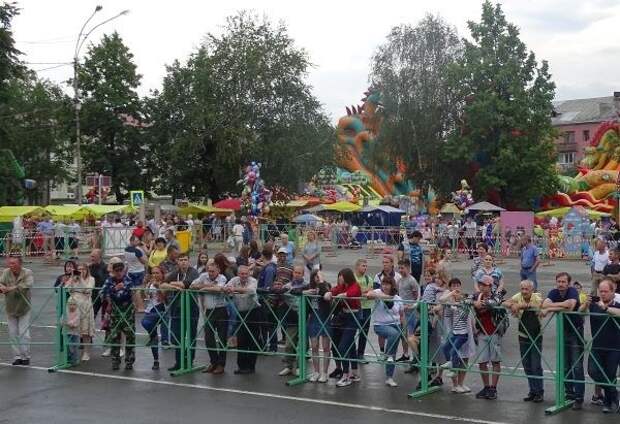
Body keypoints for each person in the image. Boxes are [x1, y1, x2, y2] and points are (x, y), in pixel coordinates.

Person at [542, 272, 585, 410]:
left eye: (563, 282)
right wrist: (552, 306)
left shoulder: (572, 291)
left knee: (577, 366)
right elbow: (545, 304)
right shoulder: (554, 292)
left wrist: (550, 308)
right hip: (563, 332)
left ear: (568, 283)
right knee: (565, 365)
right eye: (558, 281)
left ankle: (579, 397)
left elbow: (571, 306)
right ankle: (569, 394)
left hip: (575, 331)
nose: (560, 284)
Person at [503, 280, 544, 403]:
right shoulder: (518, 296)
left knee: (536, 365)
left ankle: (539, 392)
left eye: (527, 289)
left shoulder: (537, 297)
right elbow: (505, 302)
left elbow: (538, 306)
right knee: (527, 365)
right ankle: (532, 391)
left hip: (536, 336)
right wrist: (511, 305)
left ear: (532, 289)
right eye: (522, 289)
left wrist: (521, 305)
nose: (524, 291)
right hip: (522, 335)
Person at [585, 278, 620, 413]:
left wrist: (606, 308)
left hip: (614, 347)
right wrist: (585, 304)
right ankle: (614, 393)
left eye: (606, 291)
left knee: (610, 374)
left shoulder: (617, 304)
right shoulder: (594, 304)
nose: (603, 294)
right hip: (597, 346)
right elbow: (581, 313)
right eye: (601, 291)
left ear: (613, 291)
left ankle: (608, 402)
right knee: (593, 371)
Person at [160, 253, 200, 372]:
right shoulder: (175, 273)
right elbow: (162, 284)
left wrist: (172, 285)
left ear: (189, 261)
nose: (183, 262)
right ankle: (179, 361)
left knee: (191, 335)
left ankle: (189, 361)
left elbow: (185, 284)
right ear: (177, 261)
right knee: (178, 336)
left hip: (191, 308)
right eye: (181, 260)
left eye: (185, 260)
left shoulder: (193, 272)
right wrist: (174, 286)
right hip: (177, 308)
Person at [324, 268, 362, 387]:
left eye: (342, 276)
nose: (339, 278)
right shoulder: (342, 286)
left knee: (343, 346)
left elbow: (353, 293)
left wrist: (343, 295)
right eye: (339, 275)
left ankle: (346, 375)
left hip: (354, 316)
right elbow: (334, 291)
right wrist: (329, 293)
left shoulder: (355, 285)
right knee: (350, 346)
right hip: (344, 316)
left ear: (347, 277)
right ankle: (355, 373)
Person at [190, 263, 229, 375]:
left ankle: (221, 365)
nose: (210, 273)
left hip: (221, 310)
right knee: (208, 338)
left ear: (218, 271)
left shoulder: (222, 278)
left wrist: (203, 287)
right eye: (209, 271)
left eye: (213, 271)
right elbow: (193, 286)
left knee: (222, 339)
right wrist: (207, 287)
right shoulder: (203, 276)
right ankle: (213, 362)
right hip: (209, 310)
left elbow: (218, 289)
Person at [366, 276, 403, 387]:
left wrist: (404, 329)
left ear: (392, 285)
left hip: (396, 325)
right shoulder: (378, 292)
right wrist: (385, 297)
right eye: (383, 284)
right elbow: (368, 295)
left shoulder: (398, 298)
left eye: (387, 284)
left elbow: (401, 314)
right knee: (394, 336)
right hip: (380, 325)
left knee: (393, 355)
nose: (385, 286)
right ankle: (387, 354)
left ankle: (389, 377)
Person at [473, 274, 506, 400]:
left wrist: (480, 304)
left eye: (484, 285)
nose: (481, 287)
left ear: (490, 286)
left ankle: (493, 388)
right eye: (480, 284)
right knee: (482, 362)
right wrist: (474, 302)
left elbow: (493, 303)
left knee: (495, 361)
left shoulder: (497, 295)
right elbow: (466, 300)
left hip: (495, 332)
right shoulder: (476, 295)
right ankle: (486, 387)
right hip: (481, 332)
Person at [438, 278, 474, 393]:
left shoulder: (465, 298)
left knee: (465, 357)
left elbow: (471, 313)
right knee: (454, 355)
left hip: (465, 330)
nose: (456, 287)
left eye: (458, 285)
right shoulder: (448, 297)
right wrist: (452, 293)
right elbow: (442, 300)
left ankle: (461, 383)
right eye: (453, 285)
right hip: (451, 330)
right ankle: (455, 384)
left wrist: (474, 328)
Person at [224, 265, 260, 374]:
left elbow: (251, 290)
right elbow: (226, 287)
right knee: (241, 340)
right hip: (240, 313)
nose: (244, 276)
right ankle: (241, 366)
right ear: (238, 274)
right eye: (241, 274)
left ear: (249, 273)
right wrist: (229, 289)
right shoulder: (234, 280)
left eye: (246, 273)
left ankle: (251, 367)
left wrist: (234, 289)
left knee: (253, 340)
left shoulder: (253, 280)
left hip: (253, 312)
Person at [102, 258, 136, 371]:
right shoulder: (109, 280)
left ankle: (129, 361)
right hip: (115, 313)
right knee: (115, 337)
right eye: (117, 270)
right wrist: (115, 289)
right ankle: (115, 361)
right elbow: (102, 293)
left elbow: (126, 294)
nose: (119, 272)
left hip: (127, 312)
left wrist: (113, 293)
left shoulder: (128, 280)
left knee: (130, 336)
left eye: (121, 270)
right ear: (113, 271)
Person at [0, 256, 33, 365]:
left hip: (24, 307)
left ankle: (26, 356)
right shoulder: (6, 272)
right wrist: (2, 287)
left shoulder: (27, 272)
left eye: (13, 263)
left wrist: (10, 288)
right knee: (13, 333)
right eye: (10, 263)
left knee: (24, 333)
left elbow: (27, 285)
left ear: (20, 264)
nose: (11, 265)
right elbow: (1, 283)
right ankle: (17, 356)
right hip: (10, 307)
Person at [305, 269, 331, 383]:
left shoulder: (326, 285)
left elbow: (326, 296)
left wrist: (321, 282)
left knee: (326, 347)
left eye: (319, 276)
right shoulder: (309, 287)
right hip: (313, 319)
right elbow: (295, 290)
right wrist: (305, 292)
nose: (317, 278)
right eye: (315, 276)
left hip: (325, 318)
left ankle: (324, 373)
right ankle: (316, 371)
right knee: (314, 346)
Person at [67, 263, 96, 362]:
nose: (81, 271)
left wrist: (81, 279)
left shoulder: (91, 279)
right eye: (79, 269)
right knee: (72, 329)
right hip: (73, 305)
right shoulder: (74, 278)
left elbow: (87, 290)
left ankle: (86, 352)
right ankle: (72, 353)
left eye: (83, 269)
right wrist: (72, 278)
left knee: (85, 331)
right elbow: (67, 289)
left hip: (85, 305)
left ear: (87, 270)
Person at [141, 266, 166, 370]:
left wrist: (158, 288)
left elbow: (164, 299)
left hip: (160, 310)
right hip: (150, 309)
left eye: (157, 273)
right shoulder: (150, 283)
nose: (155, 275)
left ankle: (156, 337)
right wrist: (144, 286)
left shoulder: (164, 283)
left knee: (145, 322)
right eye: (153, 273)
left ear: (162, 274)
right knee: (152, 335)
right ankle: (156, 360)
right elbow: (144, 296)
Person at [397, 259, 420, 372]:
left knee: (412, 336)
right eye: (399, 268)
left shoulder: (412, 281)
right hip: (404, 312)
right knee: (407, 335)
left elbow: (416, 297)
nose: (401, 270)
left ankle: (416, 360)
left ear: (408, 268)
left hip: (412, 313)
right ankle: (414, 359)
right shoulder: (400, 281)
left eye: (403, 268)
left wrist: (411, 306)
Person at [356, 258, 375, 362]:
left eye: (366, 266)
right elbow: (354, 292)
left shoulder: (369, 278)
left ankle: (360, 354)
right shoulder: (353, 278)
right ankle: (352, 352)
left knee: (364, 332)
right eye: (363, 265)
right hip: (356, 308)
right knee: (352, 330)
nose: (365, 268)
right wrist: (363, 292)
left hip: (367, 308)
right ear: (357, 266)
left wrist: (363, 292)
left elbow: (370, 292)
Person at [124, 235, 147, 313]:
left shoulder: (126, 249)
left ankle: (134, 306)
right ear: (131, 241)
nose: (138, 242)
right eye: (136, 241)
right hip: (139, 271)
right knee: (138, 290)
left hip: (130, 271)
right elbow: (144, 261)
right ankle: (140, 307)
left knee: (133, 290)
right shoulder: (137, 251)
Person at [64, 298, 81, 366]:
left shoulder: (78, 312)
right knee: (69, 346)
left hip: (75, 333)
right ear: (67, 305)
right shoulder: (66, 312)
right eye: (70, 304)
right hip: (67, 332)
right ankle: (69, 358)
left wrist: (72, 324)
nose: (72, 306)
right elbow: (62, 320)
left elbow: (77, 320)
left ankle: (75, 360)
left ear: (76, 305)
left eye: (74, 305)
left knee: (75, 346)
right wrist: (68, 323)